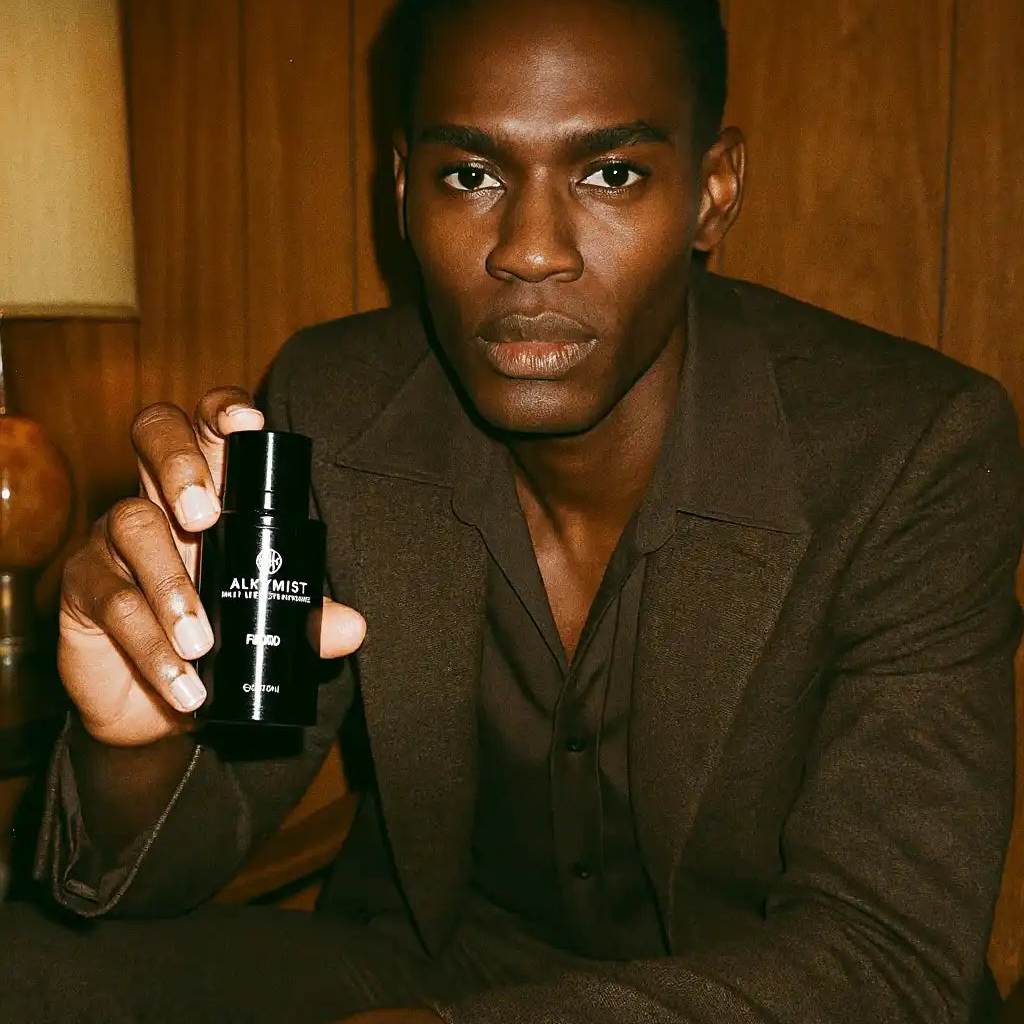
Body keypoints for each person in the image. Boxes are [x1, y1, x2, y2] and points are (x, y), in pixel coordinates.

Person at [2, 0, 1021, 1022]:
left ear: (712, 192)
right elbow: (165, 864)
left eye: (610, 172)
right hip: (433, 966)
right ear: (402, 191)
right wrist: (142, 734)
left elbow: (887, 959)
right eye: (472, 175)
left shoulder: (912, 448)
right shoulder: (335, 403)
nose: (529, 252)